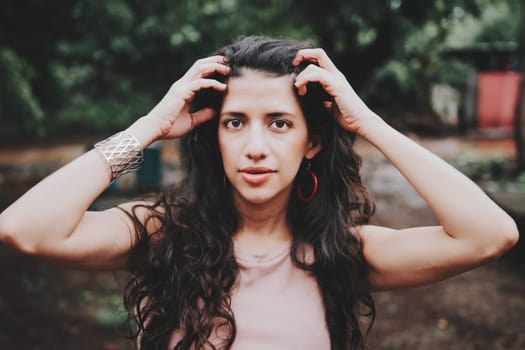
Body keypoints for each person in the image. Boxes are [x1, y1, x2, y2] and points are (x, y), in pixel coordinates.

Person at [0, 36, 519, 350]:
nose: (254, 147)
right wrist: (148, 127)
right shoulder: (164, 236)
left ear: (311, 140)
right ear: (215, 137)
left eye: (278, 123)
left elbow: (489, 234)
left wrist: (367, 123)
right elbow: (24, 229)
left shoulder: (344, 254)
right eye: (234, 123)